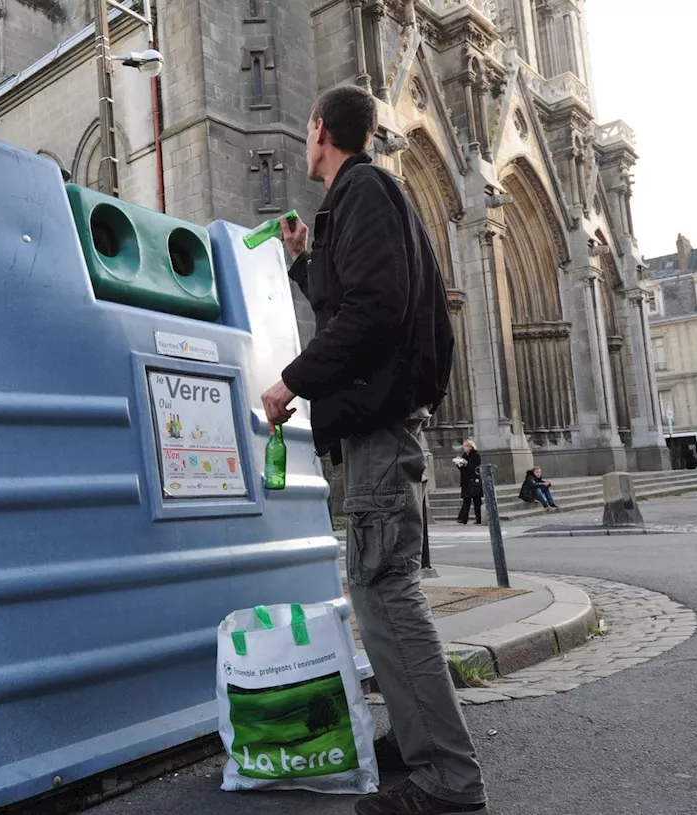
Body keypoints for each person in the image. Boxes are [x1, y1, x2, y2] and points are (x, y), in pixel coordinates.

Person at [260, 84, 488, 815]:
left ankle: (450, 778)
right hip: (378, 422)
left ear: (319, 129)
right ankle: (416, 736)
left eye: (306, 128)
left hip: (381, 426)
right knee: (376, 585)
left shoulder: (364, 192)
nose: (305, 138)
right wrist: (303, 261)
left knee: (386, 587)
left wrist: (290, 381)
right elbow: (354, 300)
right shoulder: (361, 200)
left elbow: (373, 309)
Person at [455, 440, 482, 525]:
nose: (464, 448)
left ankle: (479, 519)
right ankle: (463, 518)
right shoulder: (464, 456)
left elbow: (474, 468)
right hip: (466, 481)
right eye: (463, 446)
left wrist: (466, 464)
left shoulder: (476, 455)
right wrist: (459, 465)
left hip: (473, 481)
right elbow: (464, 471)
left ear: (470, 447)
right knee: (466, 500)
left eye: (465, 446)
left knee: (477, 501)